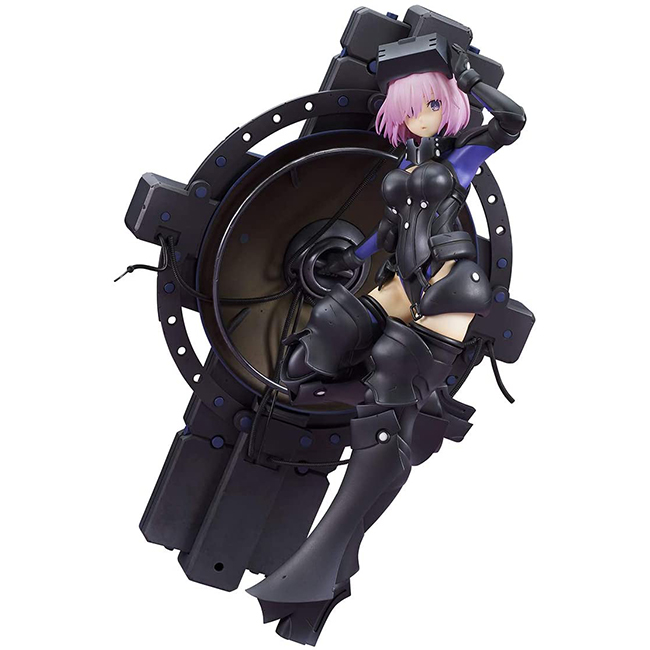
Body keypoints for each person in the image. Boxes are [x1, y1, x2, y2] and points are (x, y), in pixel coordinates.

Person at [247, 35, 526, 643]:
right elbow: (388, 228)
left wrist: (469, 80)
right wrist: (353, 257)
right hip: (401, 283)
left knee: (390, 378)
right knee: (321, 336)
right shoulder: (403, 165)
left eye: (431, 104)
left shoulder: (460, 160)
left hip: (447, 290)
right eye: (410, 107)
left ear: (446, 107)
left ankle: (330, 563)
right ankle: (397, 406)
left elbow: (512, 120)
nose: (419, 116)